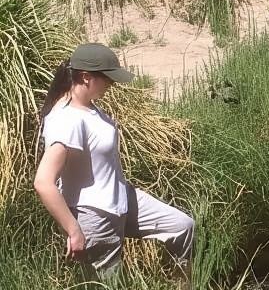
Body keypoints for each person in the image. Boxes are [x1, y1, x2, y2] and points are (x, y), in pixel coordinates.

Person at [33, 43, 195, 284]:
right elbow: (43, 182)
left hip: (122, 200)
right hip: (96, 216)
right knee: (112, 285)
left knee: (183, 226)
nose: (112, 83)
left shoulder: (86, 107)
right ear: (86, 77)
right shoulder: (67, 120)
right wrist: (74, 230)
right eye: (107, 78)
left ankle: (185, 285)